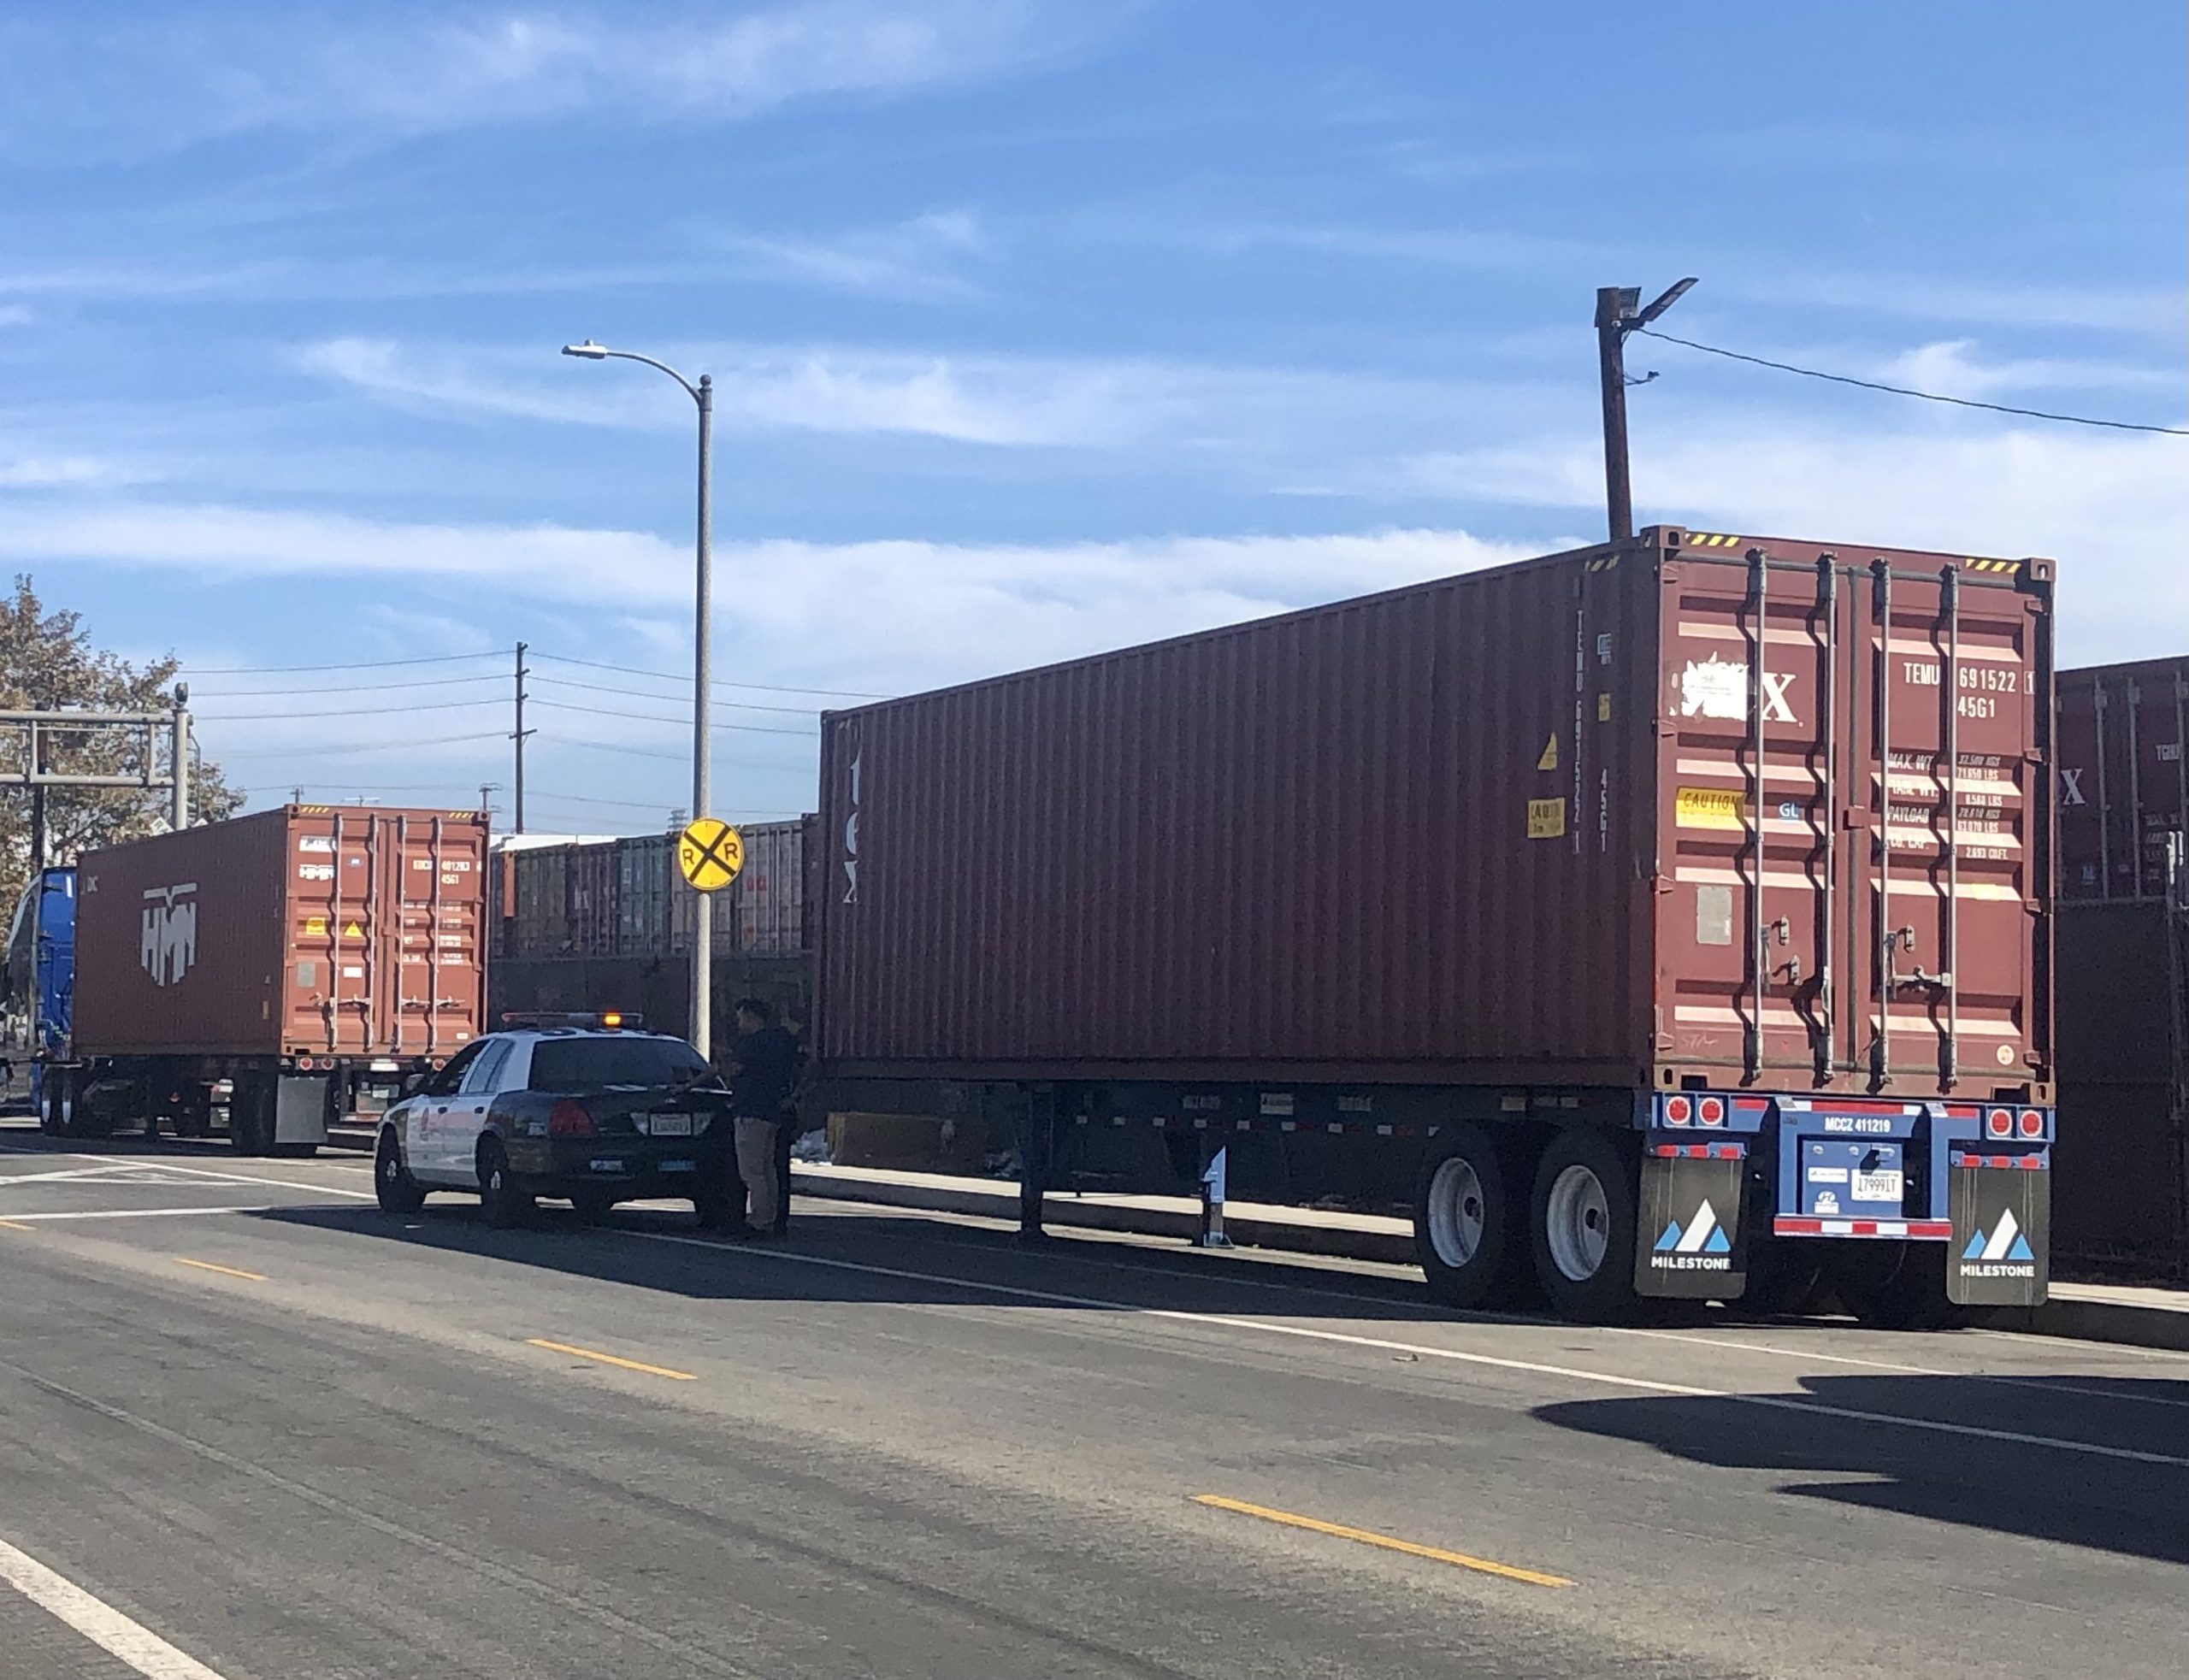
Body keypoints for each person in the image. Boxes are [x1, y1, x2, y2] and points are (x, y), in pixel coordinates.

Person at [724, 996, 801, 1239]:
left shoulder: (752, 1043)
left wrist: (721, 1062)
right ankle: (772, 1219)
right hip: (773, 1113)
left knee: (752, 1173)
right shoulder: (782, 1041)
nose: (739, 1024)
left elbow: (732, 1070)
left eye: (741, 1018)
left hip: (750, 1112)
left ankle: (758, 1221)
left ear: (751, 1016)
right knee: (769, 1171)